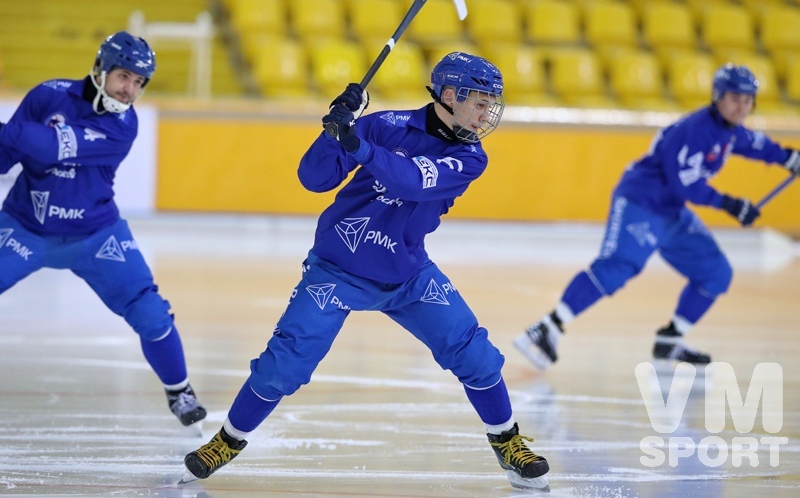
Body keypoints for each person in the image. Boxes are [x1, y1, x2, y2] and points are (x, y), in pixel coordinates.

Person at [182, 52, 551, 491]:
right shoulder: (383, 124)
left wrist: (358, 144)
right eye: (480, 101)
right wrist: (337, 128)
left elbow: (411, 180)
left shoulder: (471, 157)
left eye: (491, 103)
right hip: (337, 270)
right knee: (285, 363)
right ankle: (227, 440)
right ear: (450, 95)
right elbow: (313, 179)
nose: (487, 113)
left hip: (408, 276)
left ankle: (507, 441)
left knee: (474, 352)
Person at [514, 63, 800, 371]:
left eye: (748, 100)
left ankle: (670, 339)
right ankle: (548, 327)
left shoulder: (730, 133)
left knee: (716, 272)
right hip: (641, 202)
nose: (742, 106)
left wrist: (789, 157)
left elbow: (757, 145)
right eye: (735, 98)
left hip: (671, 210)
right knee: (619, 267)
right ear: (718, 96)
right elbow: (686, 184)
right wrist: (732, 204)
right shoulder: (694, 130)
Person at [0, 32, 206, 428]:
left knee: (151, 313)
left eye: (139, 83)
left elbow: (44, 147)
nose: (130, 90)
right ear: (101, 70)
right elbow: (5, 156)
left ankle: (179, 391)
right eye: (124, 77)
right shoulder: (47, 95)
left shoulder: (123, 126)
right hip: (25, 227)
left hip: (95, 235)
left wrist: (7, 131)